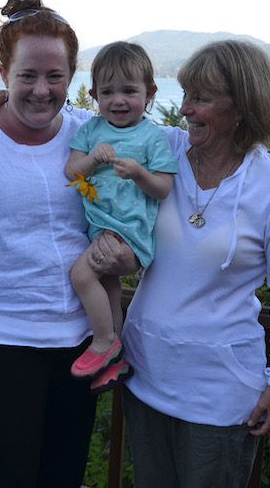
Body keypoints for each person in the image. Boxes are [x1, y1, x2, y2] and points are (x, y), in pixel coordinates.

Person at [0, 0, 135, 488]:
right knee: (8, 476)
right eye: (27, 76)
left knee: (63, 475)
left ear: (73, 76)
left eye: (55, 77)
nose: (42, 90)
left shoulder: (92, 132)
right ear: (2, 73)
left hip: (80, 339)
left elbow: (168, 149)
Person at [116, 39, 270, 487]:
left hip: (220, 396)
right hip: (144, 376)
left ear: (241, 107)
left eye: (200, 99)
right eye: (185, 95)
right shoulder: (161, 152)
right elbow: (91, 128)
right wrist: (4, 102)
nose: (184, 109)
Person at [65, 41, 177, 386]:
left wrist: (140, 175)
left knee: (82, 277)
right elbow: (72, 172)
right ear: (94, 95)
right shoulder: (91, 130)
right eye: (108, 91)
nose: (118, 100)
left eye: (129, 91)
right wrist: (93, 159)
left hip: (127, 231)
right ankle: (116, 356)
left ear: (149, 93)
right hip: (100, 229)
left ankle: (103, 342)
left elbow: (163, 188)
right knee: (108, 286)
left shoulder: (152, 138)